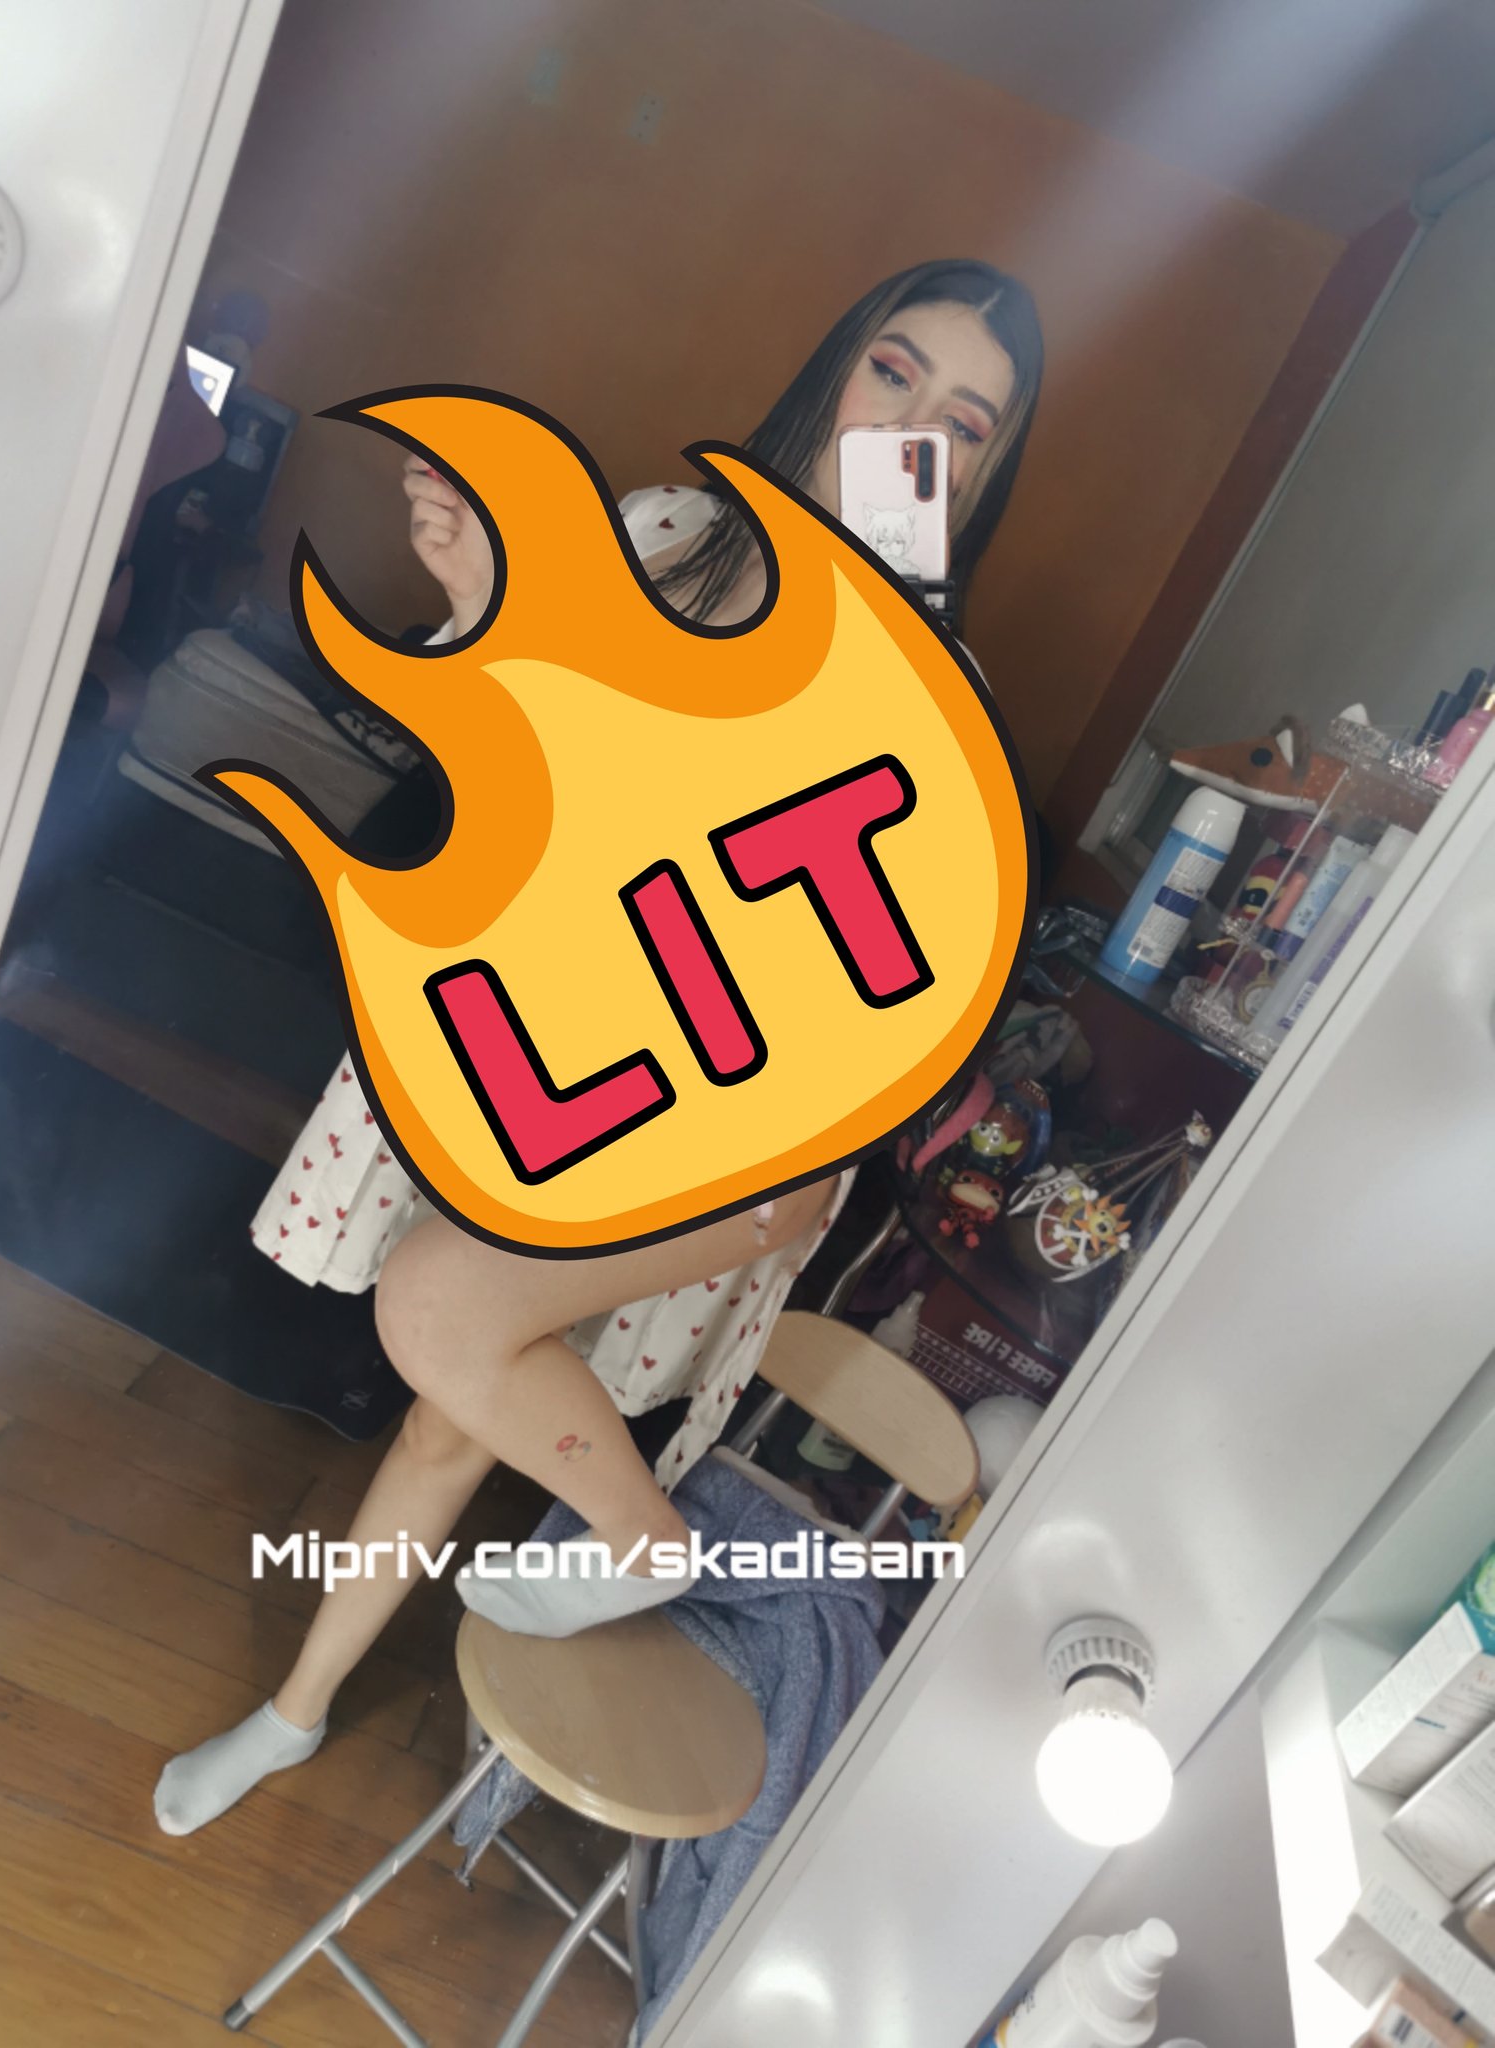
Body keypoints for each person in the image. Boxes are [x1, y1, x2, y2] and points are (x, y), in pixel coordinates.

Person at [153, 257, 1044, 1836]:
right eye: (896, 372)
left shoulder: (938, 693)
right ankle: (295, 1713)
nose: (915, 427)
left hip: (739, 1123)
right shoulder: (665, 540)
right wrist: (467, 611)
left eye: (966, 425)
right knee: (452, 1400)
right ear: (837, 367)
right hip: (556, 1039)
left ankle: (641, 1543)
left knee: (440, 1308)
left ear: (977, 479)